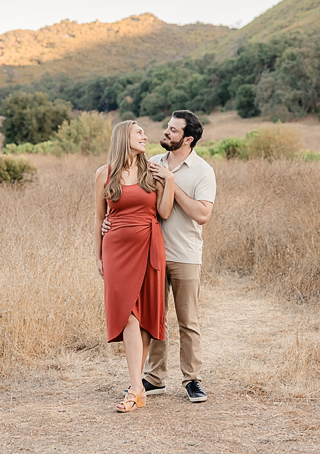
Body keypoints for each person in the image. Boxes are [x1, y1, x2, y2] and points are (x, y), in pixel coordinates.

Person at [106, 110, 216, 403]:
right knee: (152, 318)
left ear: (188, 138)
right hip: (148, 253)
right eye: (167, 127)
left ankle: (192, 379)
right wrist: (111, 221)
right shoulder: (151, 162)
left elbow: (202, 214)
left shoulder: (202, 170)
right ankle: (154, 377)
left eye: (173, 130)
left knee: (187, 319)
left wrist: (171, 182)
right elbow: (133, 200)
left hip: (185, 254)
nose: (165, 133)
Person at [94, 120, 175, 413]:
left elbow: (164, 212)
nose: (145, 136)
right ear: (123, 137)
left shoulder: (151, 172)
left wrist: (171, 182)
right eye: (138, 132)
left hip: (149, 245)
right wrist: (98, 255)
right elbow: (98, 218)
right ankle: (137, 386)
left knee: (141, 317)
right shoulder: (105, 174)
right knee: (126, 313)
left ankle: (135, 388)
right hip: (115, 250)